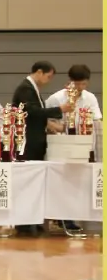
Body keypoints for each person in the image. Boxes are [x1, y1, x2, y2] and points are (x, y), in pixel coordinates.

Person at [11, 61, 72, 236]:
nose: (48, 80)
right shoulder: (25, 89)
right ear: (39, 72)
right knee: (27, 182)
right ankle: (24, 223)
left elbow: (35, 115)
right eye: (48, 76)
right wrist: (59, 109)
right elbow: (31, 112)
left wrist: (50, 124)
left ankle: (31, 220)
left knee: (33, 183)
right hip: (28, 143)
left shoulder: (32, 89)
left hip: (34, 140)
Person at [44, 64, 101, 231]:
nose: (80, 88)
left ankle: (80, 215)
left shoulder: (90, 98)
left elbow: (97, 119)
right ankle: (63, 218)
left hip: (84, 145)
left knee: (79, 181)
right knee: (62, 182)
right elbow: (44, 120)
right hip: (61, 145)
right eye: (77, 84)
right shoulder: (56, 98)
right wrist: (58, 127)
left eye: (84, 84)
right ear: (70, 82)